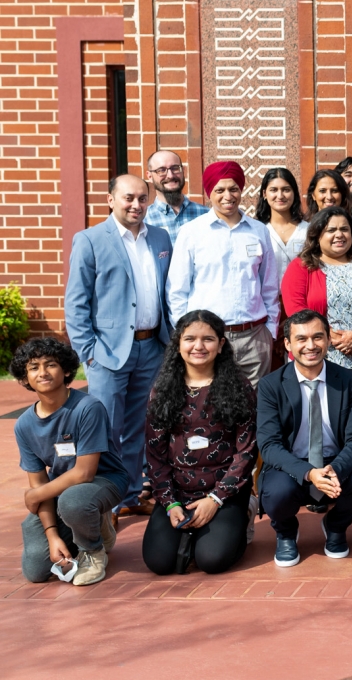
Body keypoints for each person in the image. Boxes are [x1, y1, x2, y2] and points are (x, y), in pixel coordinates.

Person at [65, 174, 172, 516]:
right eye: (128, 198)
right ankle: (101, 502)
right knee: (105, 429)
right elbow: (76, 303)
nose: (136, 205)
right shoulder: (90, 240)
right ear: (111, 199)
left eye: (143, 198)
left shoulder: (160, 238)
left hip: (151, 347)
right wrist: (89, 355)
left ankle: (127, 496)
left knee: (141, 428)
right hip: (107, 353)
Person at [256, 310, 352, 566]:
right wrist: (309, 473)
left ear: (329, 340)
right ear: (288, 344)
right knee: (275, 492)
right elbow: (269, 446)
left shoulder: (349, 381)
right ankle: (286, 532)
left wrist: (336, 468)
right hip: (290, 464)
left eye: (318, 337)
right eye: (301, 339)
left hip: (334, 462)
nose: (310, 346)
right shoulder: (270, 385)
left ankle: (335, 526)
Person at [141, 311, 257, 576]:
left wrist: (215, 499)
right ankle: (192, 531)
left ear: (221, 345)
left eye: (208, 339)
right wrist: (170, 503)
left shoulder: (239, 387)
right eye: (190, 339)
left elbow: (246, 451)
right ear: (178, 344)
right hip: (177, 491)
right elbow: (155, 455)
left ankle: (243, 513)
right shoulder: (163, 389)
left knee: (212, 561)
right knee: (159, 563)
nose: (198, 346)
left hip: (223, 492)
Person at [13, 339, 126, 586]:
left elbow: (85, 473)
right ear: (24, 379)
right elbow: (39, 482)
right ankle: (89, 523)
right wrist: (52, 535)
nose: (42, 372)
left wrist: (35, 495)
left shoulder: (88, 407)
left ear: (65, 371)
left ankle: (93, 551)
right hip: (59, 490)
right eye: (33, 367)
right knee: (36, 570)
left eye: (50, 364)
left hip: (105, 481)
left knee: (74, 500)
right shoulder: (24, 425)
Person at [168, 160, 279, 386]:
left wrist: (270, 331)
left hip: (254, 338)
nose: (227, 196)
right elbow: (177, 291)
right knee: (209, 407)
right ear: (210, 193)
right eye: (220, 190)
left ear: (241, 190)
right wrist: (188, 336)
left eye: (233, 189)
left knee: (255, 408)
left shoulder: (259, 231)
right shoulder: (192, 233)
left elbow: (269, 286)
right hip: (207, 340)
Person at [281, 206, 352, 372]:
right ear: (317, 235)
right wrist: (330, 336)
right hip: (317, 357)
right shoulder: (300, 267)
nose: (339, 235)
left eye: (344, 229)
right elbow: (295, 309)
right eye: (331, 230)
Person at [255, 167, 309, 287]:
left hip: (302, 302)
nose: (280, 196)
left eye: (286, 190)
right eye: (273, 190)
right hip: (266, 302)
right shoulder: (256, 231)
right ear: (264, 194)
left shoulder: (308, 231)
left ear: (294, 193)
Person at [144, 149, 209, 237]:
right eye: (161, 170)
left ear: (183, 171)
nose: (170, 175)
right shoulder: (143, 220)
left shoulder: (206, 215)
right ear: (150, 176)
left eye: (175, 168)